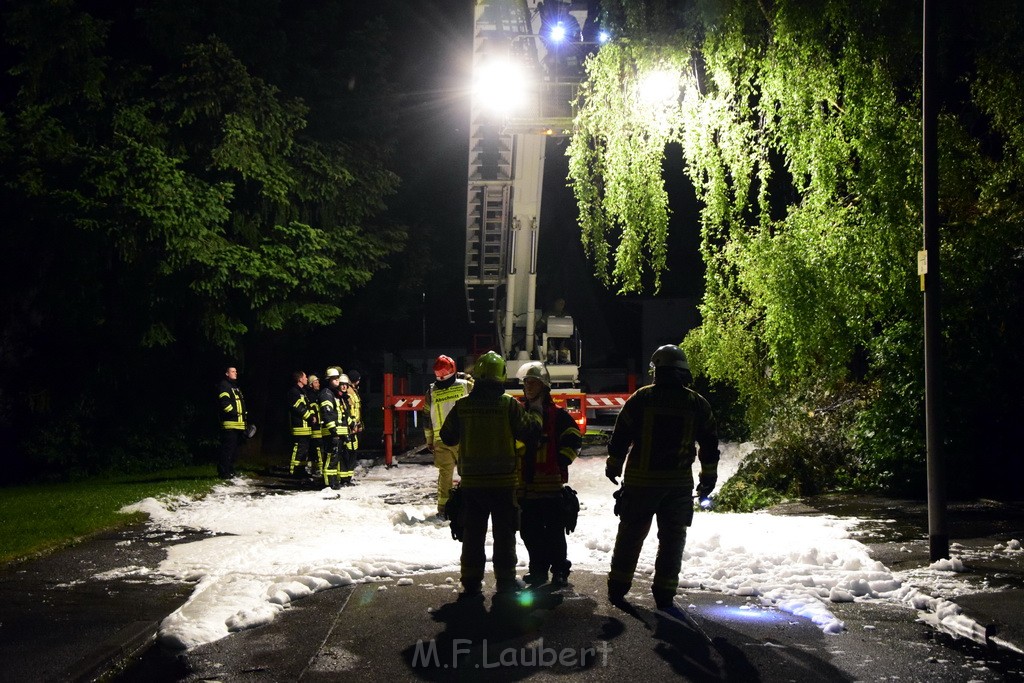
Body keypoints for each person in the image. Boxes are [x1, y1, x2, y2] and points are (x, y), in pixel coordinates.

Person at [605, 345, 720, 609]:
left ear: (657, 370)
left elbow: (621, 434)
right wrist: (708, 478)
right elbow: (710, 443)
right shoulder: (696, 403)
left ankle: (618, 588)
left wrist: (614, 465)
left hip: (641, 484)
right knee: (672, 541)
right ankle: (665, 594)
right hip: (677, 487)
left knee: (630, 536)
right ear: (683, 371)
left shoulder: (642, 398)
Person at [440, 350, 541, 596]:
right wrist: (536, 410)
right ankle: (505, 581)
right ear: (501, 377)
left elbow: (447, 436)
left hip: (472, 485)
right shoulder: (508, 405)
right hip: (503, 483)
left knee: (473, 534)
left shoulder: (463, 406)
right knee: (504, 534)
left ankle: (471, 581)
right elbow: (529, 431)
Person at [515, 361, 581, 587]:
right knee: (529, 533)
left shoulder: (557, 415)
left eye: (532, 383)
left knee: (554, 533)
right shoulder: (520, 413)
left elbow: (574, 438)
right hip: (526, 486)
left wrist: (561, 460)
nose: (528, 387)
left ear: (543, 386)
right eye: (525, 383)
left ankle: (560, 569)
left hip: (551, 487)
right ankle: (538, 570)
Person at [424, 355, 473, 518]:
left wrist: (429, 440)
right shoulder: (466, 385)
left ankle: (443, 509)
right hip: (464, 438)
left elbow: (426, 418)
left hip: (441, 440)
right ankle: (469, 505)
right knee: (468, 473)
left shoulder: (431, 391)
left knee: (445, 475)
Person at [216, 366, 248, 479]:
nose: (236, 373)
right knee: (227, 449)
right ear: (226, 373)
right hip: (230, 423)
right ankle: (224, 472)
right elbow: (224, 403)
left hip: (238, 424)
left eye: (236, 371)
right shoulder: (224, 385)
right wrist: (234, 413)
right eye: (233, 371)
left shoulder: (235, 387)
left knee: (234, 450)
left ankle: (230, 470)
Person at [319, 366, 345, 489]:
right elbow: (327, 414)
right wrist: (333, 431)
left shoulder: (334, 394)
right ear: (328, 380)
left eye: (337, 378)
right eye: (334, 379)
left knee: (335, 457)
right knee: (330, 457)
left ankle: (334, 480)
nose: (337, 381)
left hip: (336, 432)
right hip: (331, 432)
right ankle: (328, 483)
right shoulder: (326, 394)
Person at [287, 371, 314, 477]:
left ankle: (301, 470)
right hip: (299, 426)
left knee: (304, 449)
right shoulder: (294, 392)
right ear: (300, 379)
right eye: (305, 377)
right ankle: (294, 471)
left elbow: (307, 406)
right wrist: (310, 417)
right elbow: (298, 408)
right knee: (298, 448)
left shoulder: (302, 392)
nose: (307, 379)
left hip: (305, 426)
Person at [336, 374, 358, 486]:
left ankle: (348, 478)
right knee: (344, 454)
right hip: (342, 430)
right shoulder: (338, 398)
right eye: (342, 385)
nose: (344, 387)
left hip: (349, 428)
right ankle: (344, 479)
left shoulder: (345, 398)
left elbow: (350, 413)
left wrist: (354, 423)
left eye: (345, 385)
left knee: (352, 452)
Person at [306, 374, 323, 478]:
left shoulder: (317, 395)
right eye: (316, 382)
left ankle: (314, 467)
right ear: (311, 384)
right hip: (315, 426)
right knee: (318, 447)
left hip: (319, 425)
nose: (318, 384)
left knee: (316, 447)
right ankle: (318, 468)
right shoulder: (310, 395)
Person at [346, 370, 364, 451]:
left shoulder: (353, 390)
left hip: (356, 422)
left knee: (355, 445)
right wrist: (353, 423)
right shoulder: (350, 391)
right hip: (352, 423)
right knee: (350, 447)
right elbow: (350, 408)